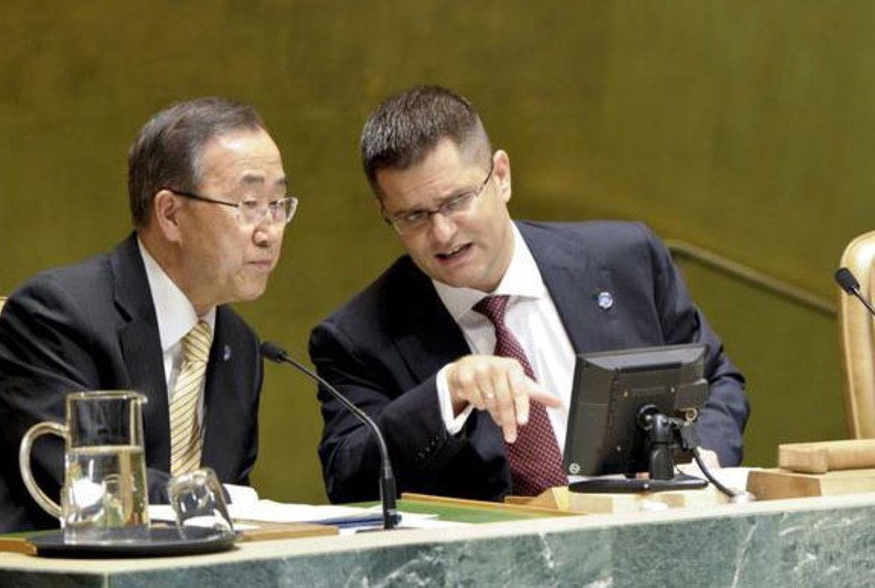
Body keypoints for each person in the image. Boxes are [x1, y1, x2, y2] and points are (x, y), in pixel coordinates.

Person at [309, 85, 748, 503]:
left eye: (457, 201)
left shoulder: (624, 260)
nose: (441, 234)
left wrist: (699, 457)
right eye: (413, 216)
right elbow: (351, 482)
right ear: (385, 213)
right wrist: (448, 391)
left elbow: (714, 381)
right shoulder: (358, 337)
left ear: (501, 176)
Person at [0, 97, 297, 533]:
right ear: (170, 214)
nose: (269, 232)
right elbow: (93, 486)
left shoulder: (239, 346)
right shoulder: (56, 316)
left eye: (279, 205)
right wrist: (230, 500)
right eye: (248, 204)